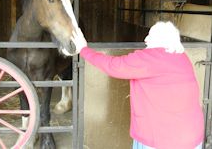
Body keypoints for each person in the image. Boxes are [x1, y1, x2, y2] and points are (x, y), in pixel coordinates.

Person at [72, 21, 204, 149]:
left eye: (150, 36)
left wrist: (84, 49)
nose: (146, 39)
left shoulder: (151, 58)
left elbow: (113, 66)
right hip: (191, 136)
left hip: (161, 140)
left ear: (161, 39)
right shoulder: (182, 57)